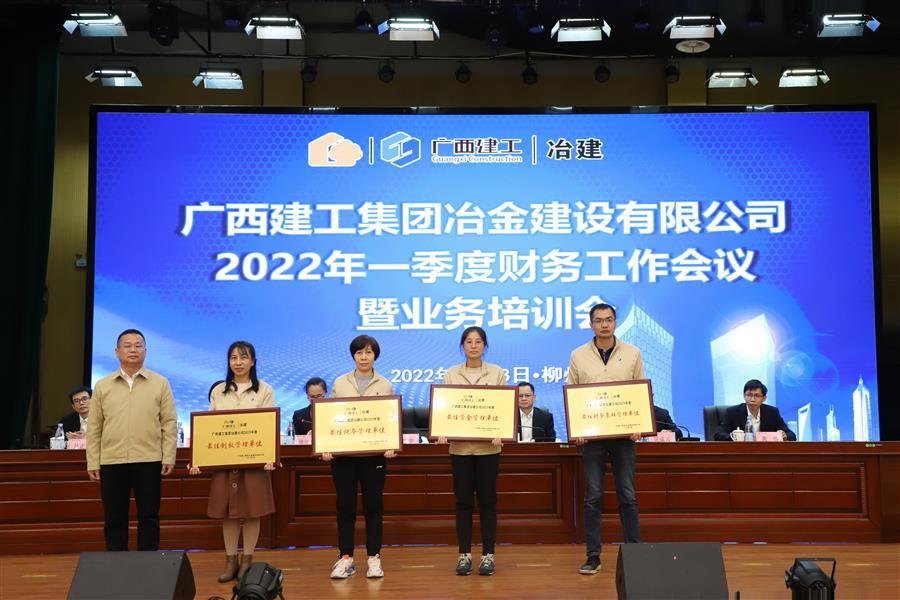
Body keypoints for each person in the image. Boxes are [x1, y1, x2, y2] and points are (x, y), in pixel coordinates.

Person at [189, 341, 277, 582]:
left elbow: (268, 426)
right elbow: (209, 428)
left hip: (254, 462)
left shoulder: (264, 389)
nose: (238, 362)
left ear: (253, 361)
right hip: (225, 461)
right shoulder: (219, 391)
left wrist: (269, 456)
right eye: (233, 358)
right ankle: (230, 561)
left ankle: (247, 560)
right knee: (228, 512)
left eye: (243, 357)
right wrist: (198, 459)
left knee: (253, 513)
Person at [567, 303, 644, 575]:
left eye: (609, 320)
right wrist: (577, 430)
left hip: (624, 436)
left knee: (628, 496)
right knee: (593, 497)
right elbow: (573, 393)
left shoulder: (632, 353)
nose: (604, 325)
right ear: (591, 324)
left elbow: (639, 391)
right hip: (592, 438)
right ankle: (593, 556)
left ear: (615, 322)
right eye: (598, 320)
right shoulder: (578, 355)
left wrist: (639, 425)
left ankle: (635, 554)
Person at [86, 328, 177, 552]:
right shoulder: (103, 385)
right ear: (117, 351)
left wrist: (169, 456)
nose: (133, 350)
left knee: (149, 516)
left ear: (146, 350)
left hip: (149, 459)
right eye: (127, 346)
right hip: (112, 461)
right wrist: (93, 461)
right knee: (114, 517)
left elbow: (169, 422)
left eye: (138, 345)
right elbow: (94, 427)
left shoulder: (160, 383)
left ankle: (147, 562)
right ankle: (116, 563)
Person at [324, 335, 396, 580]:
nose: (364, 357)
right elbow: (331, 418)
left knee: (373, 508)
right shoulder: (340, 382)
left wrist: (391, 444)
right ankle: (346, 558)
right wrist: (327, 446)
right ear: (353, 355)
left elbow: (389, 419)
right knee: (345, 508)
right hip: (344, 457)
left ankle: (374, 558)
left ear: (375, 355)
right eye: (359, 352)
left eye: (368, 352)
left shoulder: (384, 384)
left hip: (373, 457)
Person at [440, 326, 506, 577]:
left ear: (485, 346)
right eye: (469, 341)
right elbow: (445, 409)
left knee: (488, 502)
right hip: (460, 449)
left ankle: (488, 555)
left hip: (489, 449)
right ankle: (464, 554)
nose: (474, 346)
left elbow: (502, 408)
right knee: (463, 502)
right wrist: (442, 430)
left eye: (478, 341)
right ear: (462, 346)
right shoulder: (451, 374)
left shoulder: (496, 373)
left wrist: (501, 430)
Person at [714, 379, 797, 441]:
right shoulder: (733, 412)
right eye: (749, 395)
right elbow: (718, 434)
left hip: (765, 453)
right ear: (744, 396)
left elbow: (791, 435)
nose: (752, 399)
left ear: (764, 398)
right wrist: (734, 437)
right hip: (740, 453)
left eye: (757, 396)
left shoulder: (772, 412)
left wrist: (784, 436)